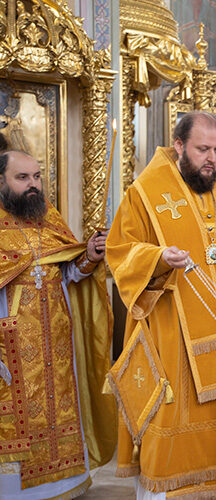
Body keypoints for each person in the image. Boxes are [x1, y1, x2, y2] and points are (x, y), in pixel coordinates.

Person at [106, 111, 216, 499]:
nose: (212, 159)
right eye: (203, 149)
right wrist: (157, 259)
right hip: (174, 341)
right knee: (174, 422)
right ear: (180, 145)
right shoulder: (145, 193)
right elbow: (120, 252)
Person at [0, 151, 115, 499]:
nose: (33, 184)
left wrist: (89, 258)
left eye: (36, 176)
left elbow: (67, 273)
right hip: (13, 348)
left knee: (60, 410)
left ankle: (65, 483)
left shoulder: (49, 219)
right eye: (23, 178)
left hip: (58, 345)